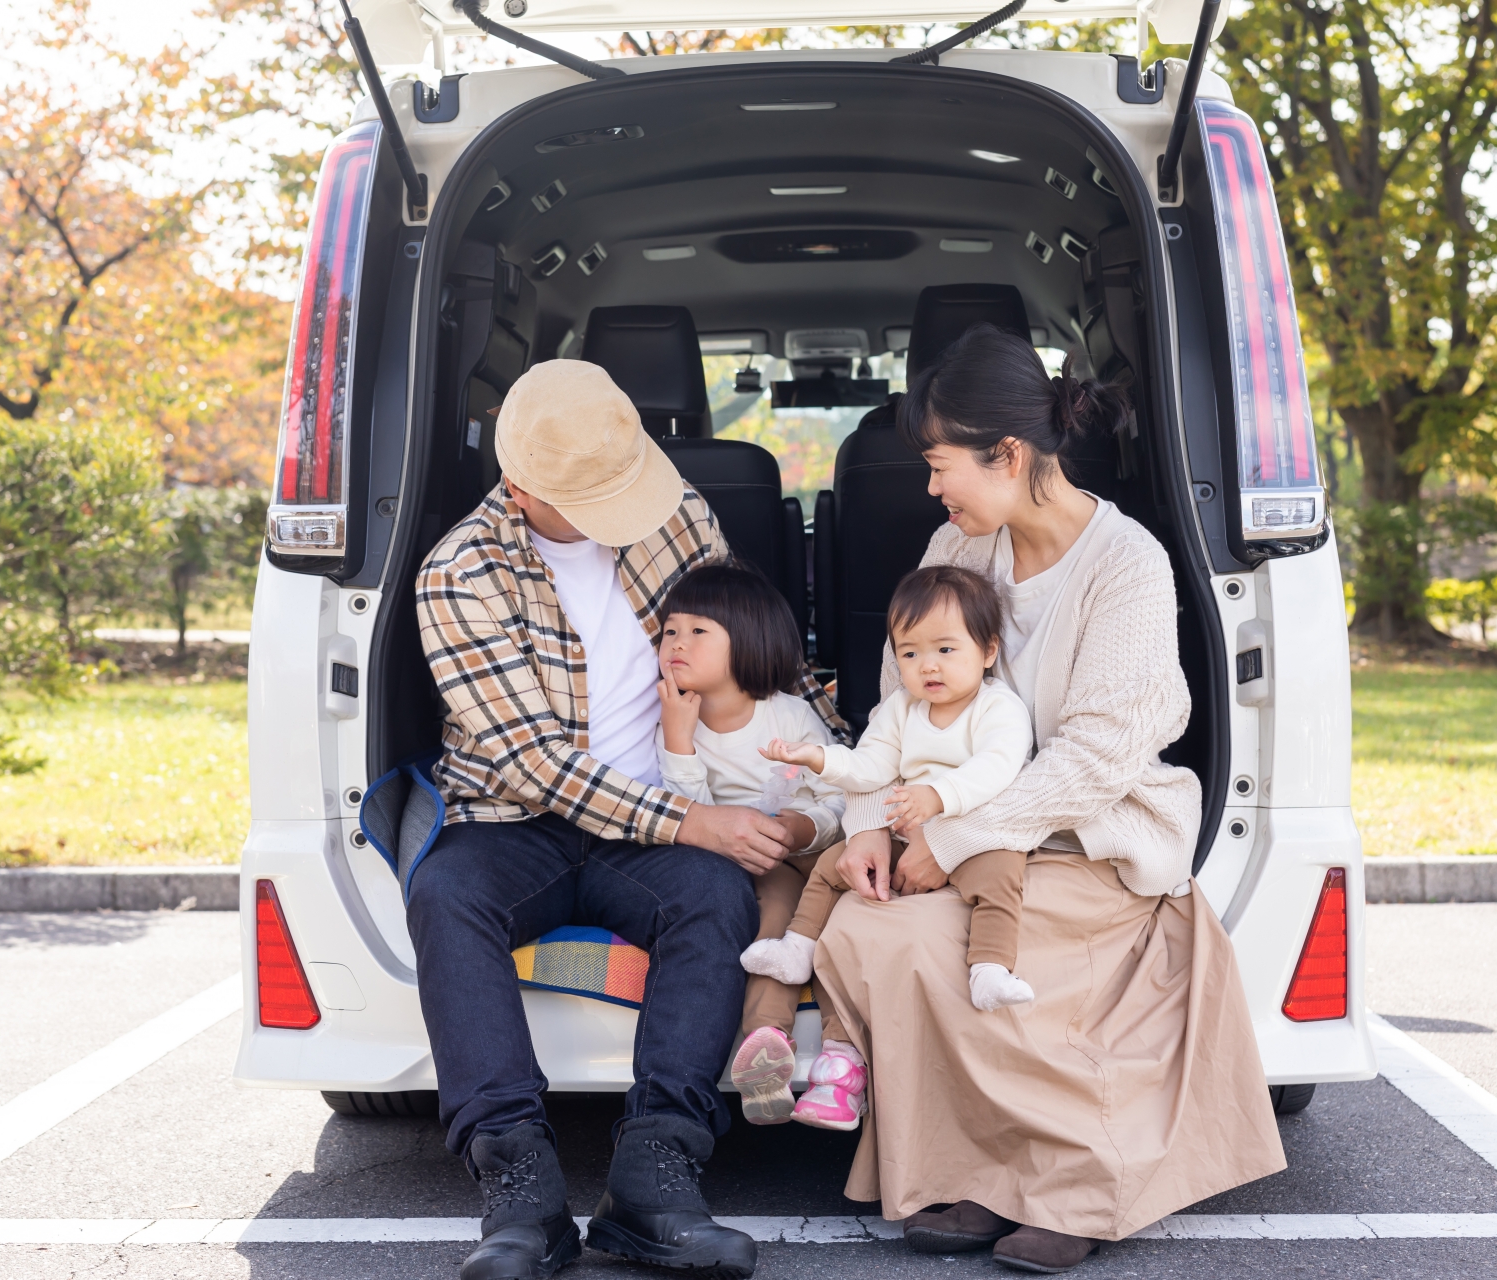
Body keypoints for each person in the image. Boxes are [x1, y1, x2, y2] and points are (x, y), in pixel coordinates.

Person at [808, 324, 1288, 1273]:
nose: (932, 489)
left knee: (907, 936)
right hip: (969, 835)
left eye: (942, 465)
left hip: (1091, 838)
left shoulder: (1129, 565)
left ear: (1012, 454)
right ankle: (988, 1175)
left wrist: (956, 840)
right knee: (862, 926)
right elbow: (898, 712)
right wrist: (869, 824)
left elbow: (1096, 757)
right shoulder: (959, 543)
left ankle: (1075, 1179)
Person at [409, 359, 841, 1280]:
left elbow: (747, 644)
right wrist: (690, 822)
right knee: (445, 893)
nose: (623, 511)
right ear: (520, 487)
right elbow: (533, 763)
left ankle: (656, 1177)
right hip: (515, 816)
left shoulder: (672, 507)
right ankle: (518, 1188)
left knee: (717, 899)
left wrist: (846, 761)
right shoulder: (459, 571)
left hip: (658, 816)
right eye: (590, 498)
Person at [748, 566, 1036, 1123]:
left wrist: (938, 796)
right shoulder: (900, 710)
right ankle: (797, 948)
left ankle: (990, 969)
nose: (927, 665)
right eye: (909, 653)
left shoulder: (998, 708)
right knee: (831, 865)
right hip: (906, 834)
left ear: (988, 650)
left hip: (974, 833)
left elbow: (997, 769)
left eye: (946, 649)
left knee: (1003, 874)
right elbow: (871, 766)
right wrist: (821, 759)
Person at [651, 562, 846, 1126]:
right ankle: (766, 1039)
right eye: (670, 632)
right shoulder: (669, 719)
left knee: (838, 917)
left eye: (699, 632)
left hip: (811, 846)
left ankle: (842, 1053)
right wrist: (679, 740)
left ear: (749, 642)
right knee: (777, 915)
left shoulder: (786, 715)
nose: (677, 645)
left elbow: (838, 795)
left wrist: (800, 829)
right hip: (743, 862)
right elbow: (682, 813)